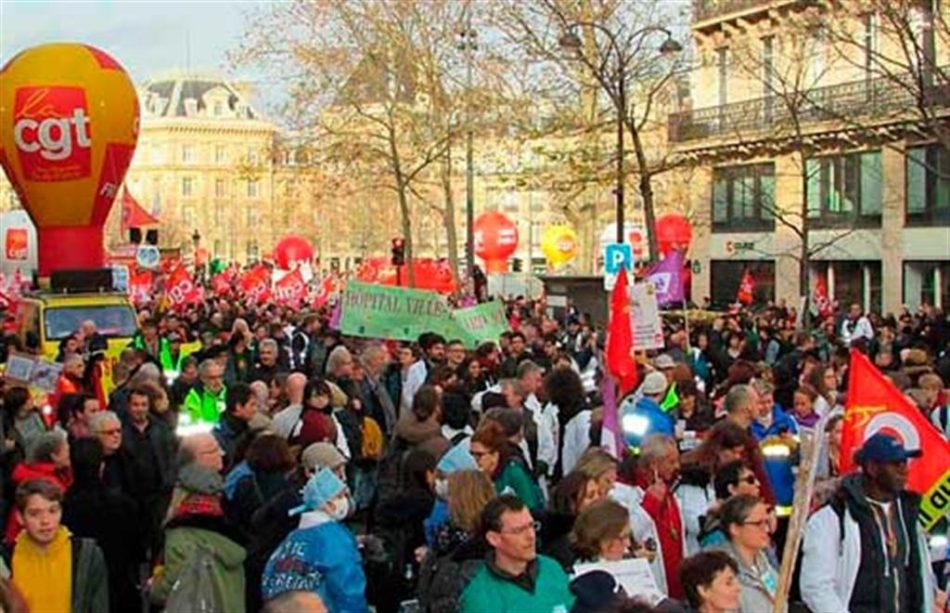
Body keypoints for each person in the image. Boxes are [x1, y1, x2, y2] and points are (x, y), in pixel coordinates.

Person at [800, 433, 938, 613]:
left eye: (905, 462)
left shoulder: (908, 515)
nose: (904, 469)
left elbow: (918, 576)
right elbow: (815, 587)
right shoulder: (832, 518)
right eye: (896, 464)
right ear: (872, 468)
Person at [149, 436, 246, 613]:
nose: (221, 454)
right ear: (194, 459)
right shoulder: (223, 505)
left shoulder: (180, 522)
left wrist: (154, 588)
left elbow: (173, 581)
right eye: (213, 451)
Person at [261, 468, 368, 611]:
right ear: (328, 503)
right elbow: (349, 591)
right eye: (341, 495)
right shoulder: (334, 539)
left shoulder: (289, 540)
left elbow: (268, 583)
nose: (346, 501)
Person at [62, 438, 144, 612]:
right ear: (101, 466)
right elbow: (138, 551)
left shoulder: (63, 508)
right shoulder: (124, 505)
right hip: (120, 592)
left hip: (77, 592)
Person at [7, 479, 108, 613]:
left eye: (53, 511)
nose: (45, 521)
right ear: (20, 517)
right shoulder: (6, 560)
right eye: (35, 514)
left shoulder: (87, 556)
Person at [459, 494, 574, 612]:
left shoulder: (552, 569)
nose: (531, 536)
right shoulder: (480, 598)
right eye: (519, 531)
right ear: (494, 539)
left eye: (531, 526)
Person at [633, 434, 686, 600]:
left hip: (678, 585)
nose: (677, 466)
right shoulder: (630, 493)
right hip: (652, 585)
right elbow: (631, 532)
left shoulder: (671, 493)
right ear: (654, 464)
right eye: (671, 462)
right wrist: (649, 506)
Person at [711, 494, 779, 612]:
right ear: (735, 529)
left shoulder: (763, 561)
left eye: (766, 522)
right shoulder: (721, 572)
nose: (767, 529)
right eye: (758, 524)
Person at [4, 432, 73, 546]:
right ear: (54, 456)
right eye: (67, 451)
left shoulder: (32, 472)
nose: (45, 520)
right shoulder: (49, 483)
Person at [469, 420, 543, 511]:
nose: (474, 459)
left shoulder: (514, 473)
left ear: (495, 455)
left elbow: (530, 507)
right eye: (472, 454)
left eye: (479, 455)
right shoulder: (477, 477)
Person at [621, 372, 675, 451]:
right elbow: (668, 449)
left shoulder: (629, 414)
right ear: (663, 392)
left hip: (630, 459)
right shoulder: (661, 421)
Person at [212, 382, 258, 468]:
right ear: (238, 407)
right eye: (252, 405)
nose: (255, 409)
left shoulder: (248, 431)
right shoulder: (218, 436)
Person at [182, 359, 228, 428]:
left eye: (220, 377)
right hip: (204, 436)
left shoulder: (231, 393)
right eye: (212, 378)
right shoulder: (193, 398)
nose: (217, 381)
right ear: (203, 378)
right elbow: (193, 425)